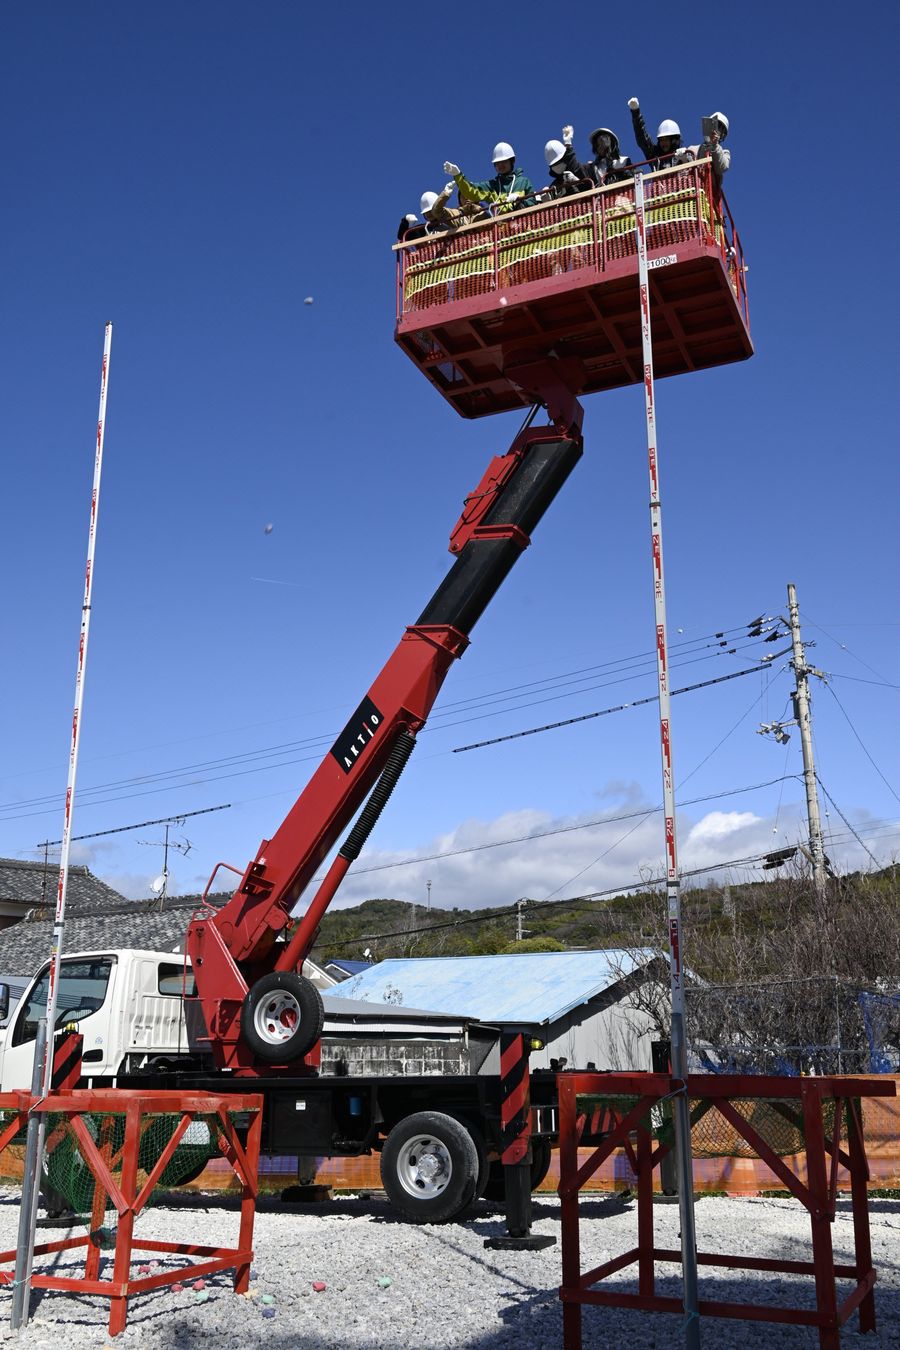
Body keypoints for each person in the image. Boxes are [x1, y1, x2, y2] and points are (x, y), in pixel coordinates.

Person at [443, 142, 536, 215]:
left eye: (503, 161)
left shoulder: (523, 182)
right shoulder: (492, 186)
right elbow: (471, 191)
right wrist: (458, 175)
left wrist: (519, 202)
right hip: (503, 231)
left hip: (523, 226)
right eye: (497, 163)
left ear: (512, 161)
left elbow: (532, 204)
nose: (500, 165)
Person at [627, 97, 694, 170]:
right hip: (659, 181)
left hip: (679, 181)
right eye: (661, 140)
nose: (663, 143)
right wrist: (636, 113)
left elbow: (693, 172)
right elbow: (643, 140)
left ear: (673, 140)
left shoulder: (683, 154)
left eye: (666, 140)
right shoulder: (655, 155)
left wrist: (685, 160)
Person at [541, 130, 593, 199]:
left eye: (559, 162)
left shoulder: (585, 169)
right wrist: (546, 202)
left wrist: (577, 182)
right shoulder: (554, 187)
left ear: (565, 158)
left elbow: (593, 188)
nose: (558, 166)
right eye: (555, 165)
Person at [689, 111, 731, 184]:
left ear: (722, 134)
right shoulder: (693, 149)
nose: (716, 130)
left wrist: (715, 146)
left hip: (709, 191)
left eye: (720, 128)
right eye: (716, 125)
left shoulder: (725, 153)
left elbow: (721, 168)